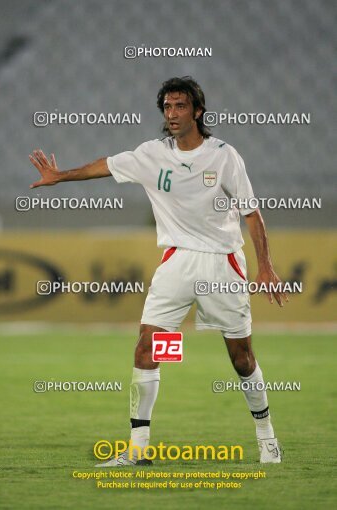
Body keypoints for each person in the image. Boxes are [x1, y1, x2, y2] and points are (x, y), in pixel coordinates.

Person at [29, 76, 288, 465]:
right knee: (149, 347)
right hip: (176, 264)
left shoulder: (224, 156)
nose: (172, 114)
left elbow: (251, 211)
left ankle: (267, 437)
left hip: (222, 264)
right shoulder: (152, 154)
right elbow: (106, 165)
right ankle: (137, 449)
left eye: (180, 106)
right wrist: (61, 175)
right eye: (167, 107)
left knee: (241, 358)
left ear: (198, 111)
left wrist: (265, 266)